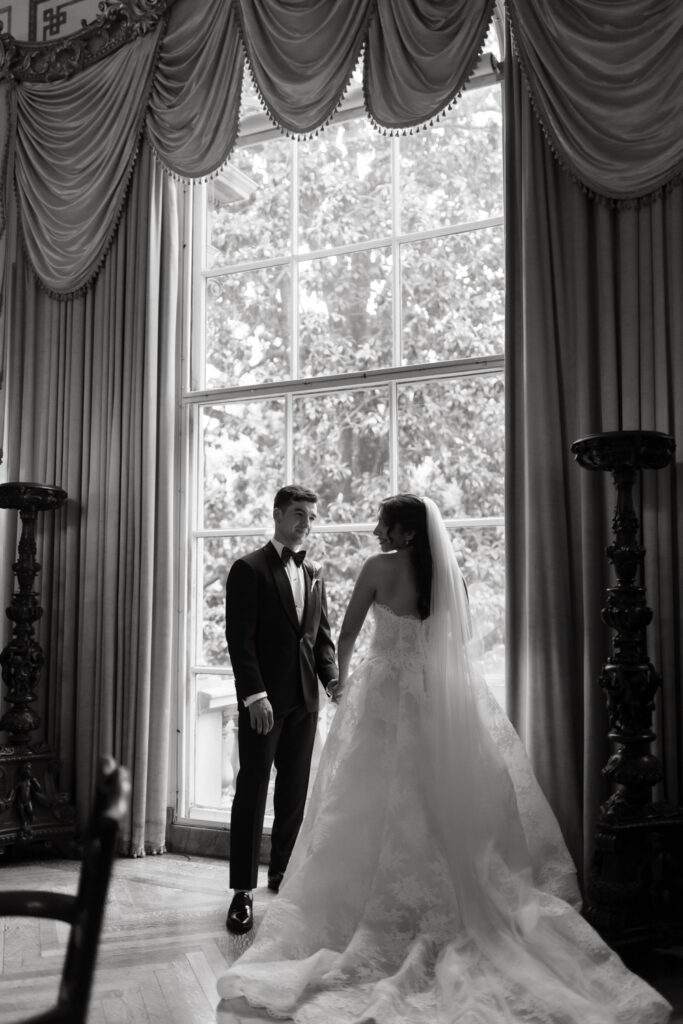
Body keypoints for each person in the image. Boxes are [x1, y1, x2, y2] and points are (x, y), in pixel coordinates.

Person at [217, 494, 671, 1023]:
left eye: (384, 525)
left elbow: (341, 637)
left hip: (381, 700)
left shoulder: (374, 570)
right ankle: (263, 888)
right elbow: (458, 644)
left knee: (359, 801)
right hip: (431, 702)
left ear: (407, 532)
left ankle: (366, 912)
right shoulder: (446, 576)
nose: (375, 533)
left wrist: (342, 689)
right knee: (431, 803)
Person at [224, 484, 339, 935]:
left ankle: (282, 875)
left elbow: (320, 638)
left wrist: (332, 680)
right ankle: (242, 892)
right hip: (264, 703)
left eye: (310, 516)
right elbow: (240, 639)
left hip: (305, 702)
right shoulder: (247, 569)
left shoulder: (314, 571)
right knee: (252, 790)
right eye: (297, 514)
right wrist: (255, 696)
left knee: (294, 791)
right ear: (276, 514)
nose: (304, 523)